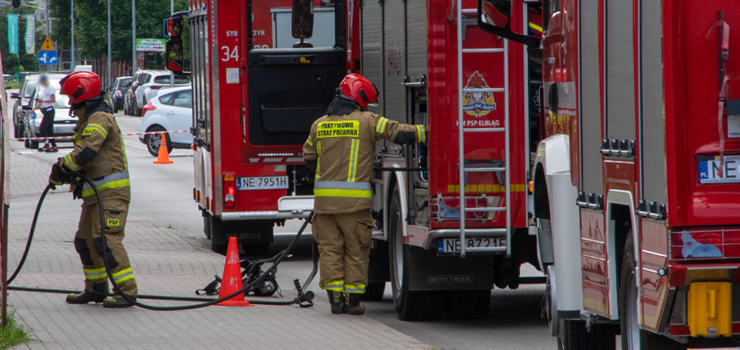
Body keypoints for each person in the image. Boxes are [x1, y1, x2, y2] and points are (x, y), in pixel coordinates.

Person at [303, 74, 427, 315]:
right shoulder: (368, 121)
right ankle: (352, 303)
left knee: (330, 251)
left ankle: (335, 302)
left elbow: (308, 158)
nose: (365, 107)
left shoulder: (319, 124)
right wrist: (431, 131)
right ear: (358, 99)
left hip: (324, 206)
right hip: (354, 206)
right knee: (356, 251)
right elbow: (400, 134)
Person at [50, 71, 138, 308]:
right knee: (85, 242)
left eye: (71, 97)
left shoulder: (99, 118)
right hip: (94, 197)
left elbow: (87, 151)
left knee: (106, 241)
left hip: (111, 195)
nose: (69, 102)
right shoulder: (89, 118)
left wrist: (62, 167)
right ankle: (96, 288)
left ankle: (126, 292)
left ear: (82, 94)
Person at [34, 75, 58, 153]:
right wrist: (34, 109)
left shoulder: (50, 88)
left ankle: (47, 143)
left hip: (49, 111)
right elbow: (42, 102)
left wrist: (43, 101)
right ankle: (54, 146)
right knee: (49, 129)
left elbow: (53, 100)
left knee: (42, 128)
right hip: (46, 111)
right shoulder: (45, 89)